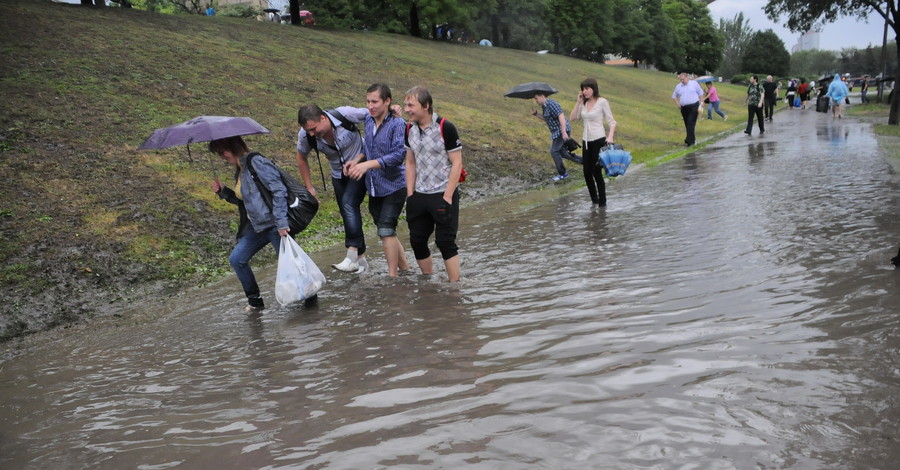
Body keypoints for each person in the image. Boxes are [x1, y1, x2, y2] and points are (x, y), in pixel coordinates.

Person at [211, 136, 291, 311]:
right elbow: (246, 201)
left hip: (274, 224)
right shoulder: (240, 170)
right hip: (256, 227)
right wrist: (224, 191)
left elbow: (279, 190)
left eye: (222, 151)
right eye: (218, 153)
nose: (221, 156)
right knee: (237, 259)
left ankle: (308, 297)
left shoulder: (257, 162)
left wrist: (282, 222)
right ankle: (255, 301)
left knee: (289, 265)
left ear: (233, 147)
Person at [345, 83, 412, 277]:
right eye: (368, 101)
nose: (370, 106)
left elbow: (398, 155)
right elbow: (368, 149)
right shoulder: (368, 120)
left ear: (387, 101)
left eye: (375, 101)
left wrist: (367, 165)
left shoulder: (397, 124)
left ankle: (393, 277)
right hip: (374, 187)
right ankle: (405, 269)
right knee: (386, 231)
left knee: (385, 230)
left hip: (395, 185)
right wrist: (356, 160)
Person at [296, 104, 370, 273]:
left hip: (360, 166)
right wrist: (309, 187)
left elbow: (374, 113)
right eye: (308, 131)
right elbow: (301, 157)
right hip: (338, 174)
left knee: (348, 204)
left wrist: (392, 110)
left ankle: (351, 256)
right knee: (348, 213)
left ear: (323, 117)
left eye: (314, 129)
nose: (312, 134)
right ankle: (362, 261)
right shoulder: (306, 136)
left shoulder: (346, 115)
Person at [403, 86, 463, 282]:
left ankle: (455, 288)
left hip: (443, 193)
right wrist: (410, 193)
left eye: (411, 105)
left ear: (426, 105)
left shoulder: (446, 127)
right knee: (417, 240)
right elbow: (410, 162)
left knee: (445, 242)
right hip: (419, 194)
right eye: (406, 105)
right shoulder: (409, 129)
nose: (407, 109)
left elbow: (457, 163)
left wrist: (447, 196)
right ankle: (429, 282)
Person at [569, 78, 616, 206]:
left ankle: (602, 203)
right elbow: (572, 118)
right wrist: (578, 102)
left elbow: (612, 122)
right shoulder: (583, 103)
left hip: (599, 139)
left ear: (593, 89)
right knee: (586, 172)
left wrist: (610, 137)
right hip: (586, 141)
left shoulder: (602, 102)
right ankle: (594, 200)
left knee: (596, 171)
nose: (584, 91)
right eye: (583, 89)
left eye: (587, 89)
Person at [531, 92, 581, 181]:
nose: (536, 101)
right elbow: (548, 119)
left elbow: (561, 116)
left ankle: (563, 174)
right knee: (563, 153)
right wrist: (536, 114)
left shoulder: (551, 104)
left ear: (542, 96)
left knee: (554, 151)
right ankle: (588, 162)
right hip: (557, 132)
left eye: (536, 98)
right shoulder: (545, 106)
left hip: (561, 131)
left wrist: (563, 131)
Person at [671, 72, 704, 146]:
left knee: (690, 123)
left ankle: (689, 140)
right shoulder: (678, 86)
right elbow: (674, 96)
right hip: (684, 108)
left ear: (687, 77)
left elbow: (700, 93)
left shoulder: (694, 84)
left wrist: (702, 102)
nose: (682, 81)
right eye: (680, 80)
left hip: (694, 106)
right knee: (687, 124)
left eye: (683, 79)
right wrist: (678, 104)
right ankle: (691, 139)